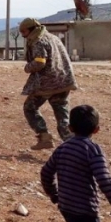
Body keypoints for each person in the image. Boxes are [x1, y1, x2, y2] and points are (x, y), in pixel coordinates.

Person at [40, 105, 111, 222]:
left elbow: (46, 172)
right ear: (97, 129)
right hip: (85, 210)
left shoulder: (63, 147)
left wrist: (54, 194)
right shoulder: (93, 150)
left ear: (70, 128)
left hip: (66, 206)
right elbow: (104, 179)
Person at [19, 17, 78, 150]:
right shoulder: (53, 38)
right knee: (62, 115)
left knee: (30, 108)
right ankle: (74, 147)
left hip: (47, 83)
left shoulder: (38, 41)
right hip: (63, 82)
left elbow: (40, 62)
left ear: (32, 29)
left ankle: (44, 136)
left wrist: (28, 67)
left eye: (24, 31)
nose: (23, 35)